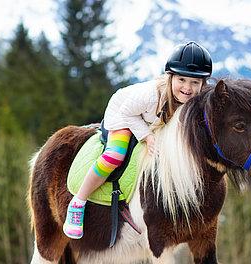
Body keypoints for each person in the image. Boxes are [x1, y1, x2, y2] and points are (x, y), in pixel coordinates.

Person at [63, 41, 213, 239]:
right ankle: (78, 202)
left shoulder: (197, 101)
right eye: (182, 80)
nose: (187, 87)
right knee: (115, 155)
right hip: (124, 114)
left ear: (203, 84)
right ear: (170, 78)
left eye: (195, 82)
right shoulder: (150, 96)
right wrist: (147, 137)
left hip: (150, 119)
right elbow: (128, 113)